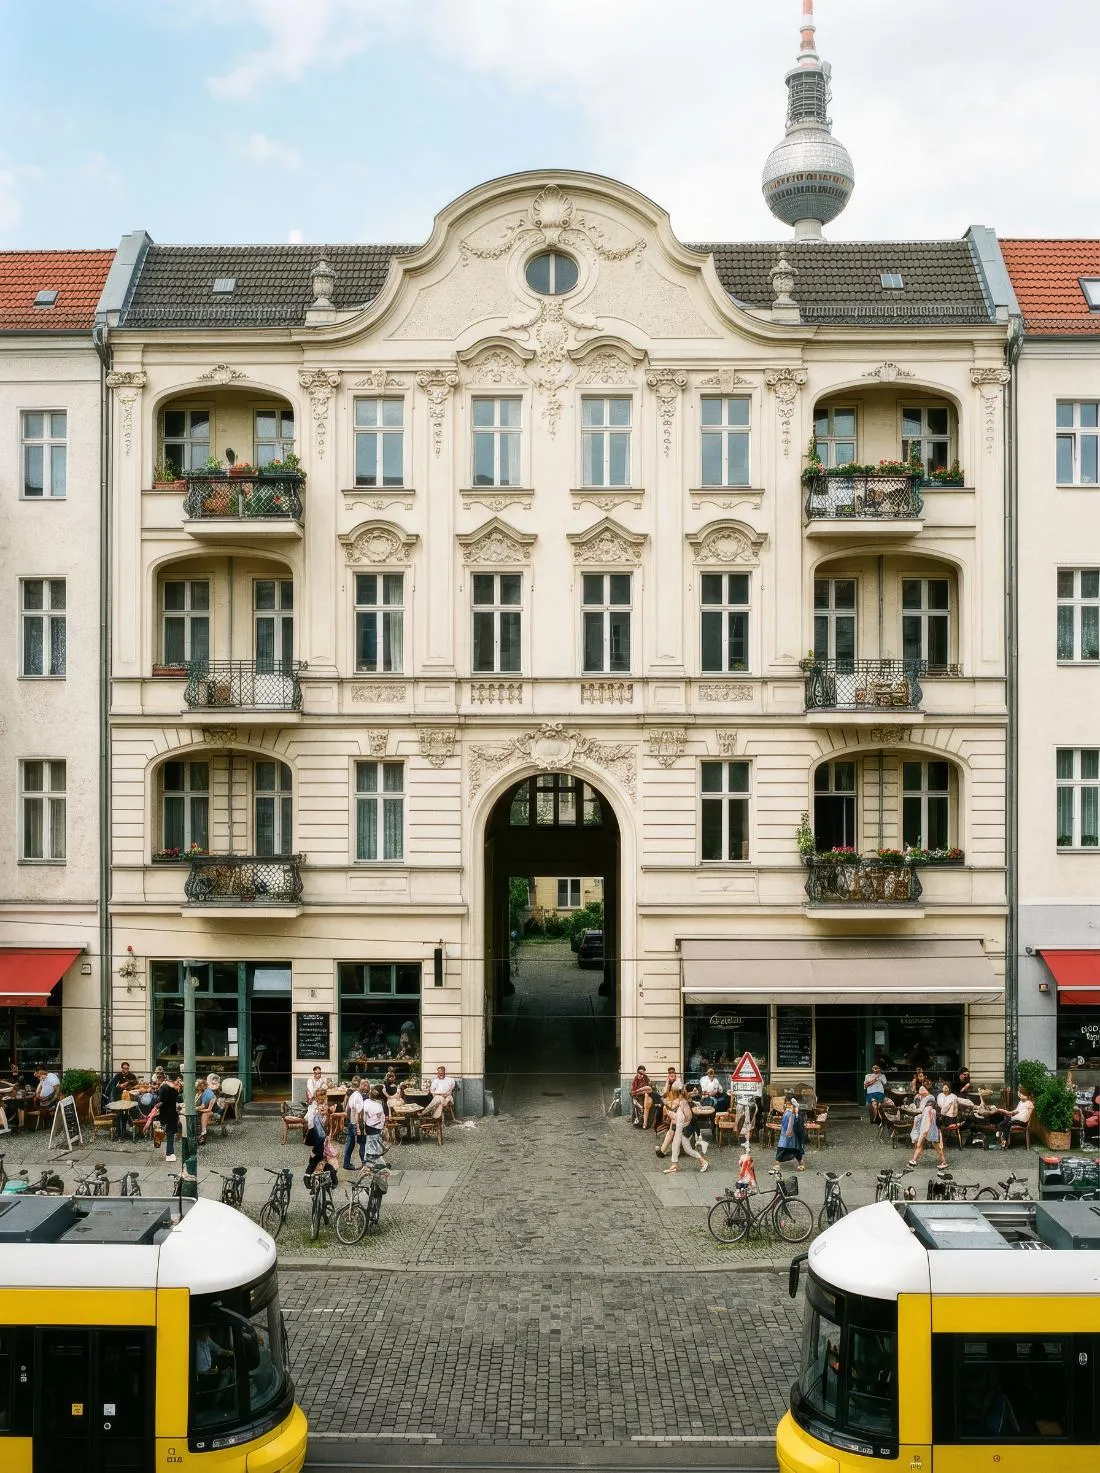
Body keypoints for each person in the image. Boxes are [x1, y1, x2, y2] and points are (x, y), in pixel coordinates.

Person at [662, 1089, 708, 1174]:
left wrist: (677, 1120)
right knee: (675, 1146)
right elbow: (670, 1119)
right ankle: (674, 1165)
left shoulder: (683, 1103)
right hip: (680, 1129)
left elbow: (688, 1118)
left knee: (687, 1149)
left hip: (686, 1129)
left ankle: (703, 1161)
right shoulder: (670, 1106)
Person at [908, 1085, 947, 1169]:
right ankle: (913, 1160)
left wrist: (926, 1130)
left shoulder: (929, 1103)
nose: (920, 1089)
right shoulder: (923, 1101)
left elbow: (928, 1119)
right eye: (920, 1088)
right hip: (925, 1126)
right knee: (920, 1144)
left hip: (929, 1127)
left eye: (923, 1088)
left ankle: (943, 1162)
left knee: (935, 1145)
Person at [775, 1094, 805, 1171]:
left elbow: (798, 1122)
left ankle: (801, 1163)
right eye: (788, 1104)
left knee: (796, 1150)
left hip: (793, 1135)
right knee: (781, 1149)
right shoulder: (788, 1112)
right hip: (786, 1135)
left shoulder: (794, 1112)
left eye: (789, 1104)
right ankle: (777, 1163)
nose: (788, 1105)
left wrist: (796, 1113)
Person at [304, 1087, 329, 1180]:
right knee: (318, 1153)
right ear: (316, 1097)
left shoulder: (325, 1105)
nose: (320, 1100)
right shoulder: (313, 1106)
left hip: (322, 1132)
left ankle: (313, 1176)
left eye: (322, 1098)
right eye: (319, 1098)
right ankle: (309, 1175)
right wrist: (317, 1112)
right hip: (315, 1132)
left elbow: (326, 1123)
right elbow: (309, 1120)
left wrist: (325, 1114)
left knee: (321, 1154)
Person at [342, 1077, 365, 1171]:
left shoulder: (354, 1095)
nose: (365, 1086)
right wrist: (358, 1126)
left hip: (352, 1122)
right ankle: (364, 1164)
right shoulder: (357, 1097)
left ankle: (346, 1163)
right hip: (355, 1123)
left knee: (350, 1144)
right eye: (363, 1084)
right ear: (359, 1086)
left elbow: (347, 1109)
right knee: (362, 1142)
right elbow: (358, 1113)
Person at [158, 1070, 181, 1162]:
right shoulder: (170, 1088)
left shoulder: (164, 1086)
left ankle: (169, 1152)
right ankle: (169, 1153)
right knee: (170, 1133)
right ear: (175, 1079)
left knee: (169, 1133)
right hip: (170, 1113)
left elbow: (160, 1100)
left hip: (165, 1112)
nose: (179, 1082)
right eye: (178, 1080)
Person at [360, 1086, 386, 1164]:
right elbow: (382, 1117)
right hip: (377, 1127)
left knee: (370, 1143)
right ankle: (376, 1161)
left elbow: (363, 1116)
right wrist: (382, 1126)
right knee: (375, 1143)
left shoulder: (365, 1102)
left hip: (369, 1126)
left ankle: (371, 1162)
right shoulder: (379, 1105)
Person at [196, 1074, 223, 1144]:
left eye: (215, 1083)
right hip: (202, 1108)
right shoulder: (202, 1091)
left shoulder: (212, 1093)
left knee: (206, 1113)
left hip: (212, 1111)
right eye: (212, 1083)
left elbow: (208, 1108)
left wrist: (197, 1109)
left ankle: (203, 1133)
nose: (213, 1085)